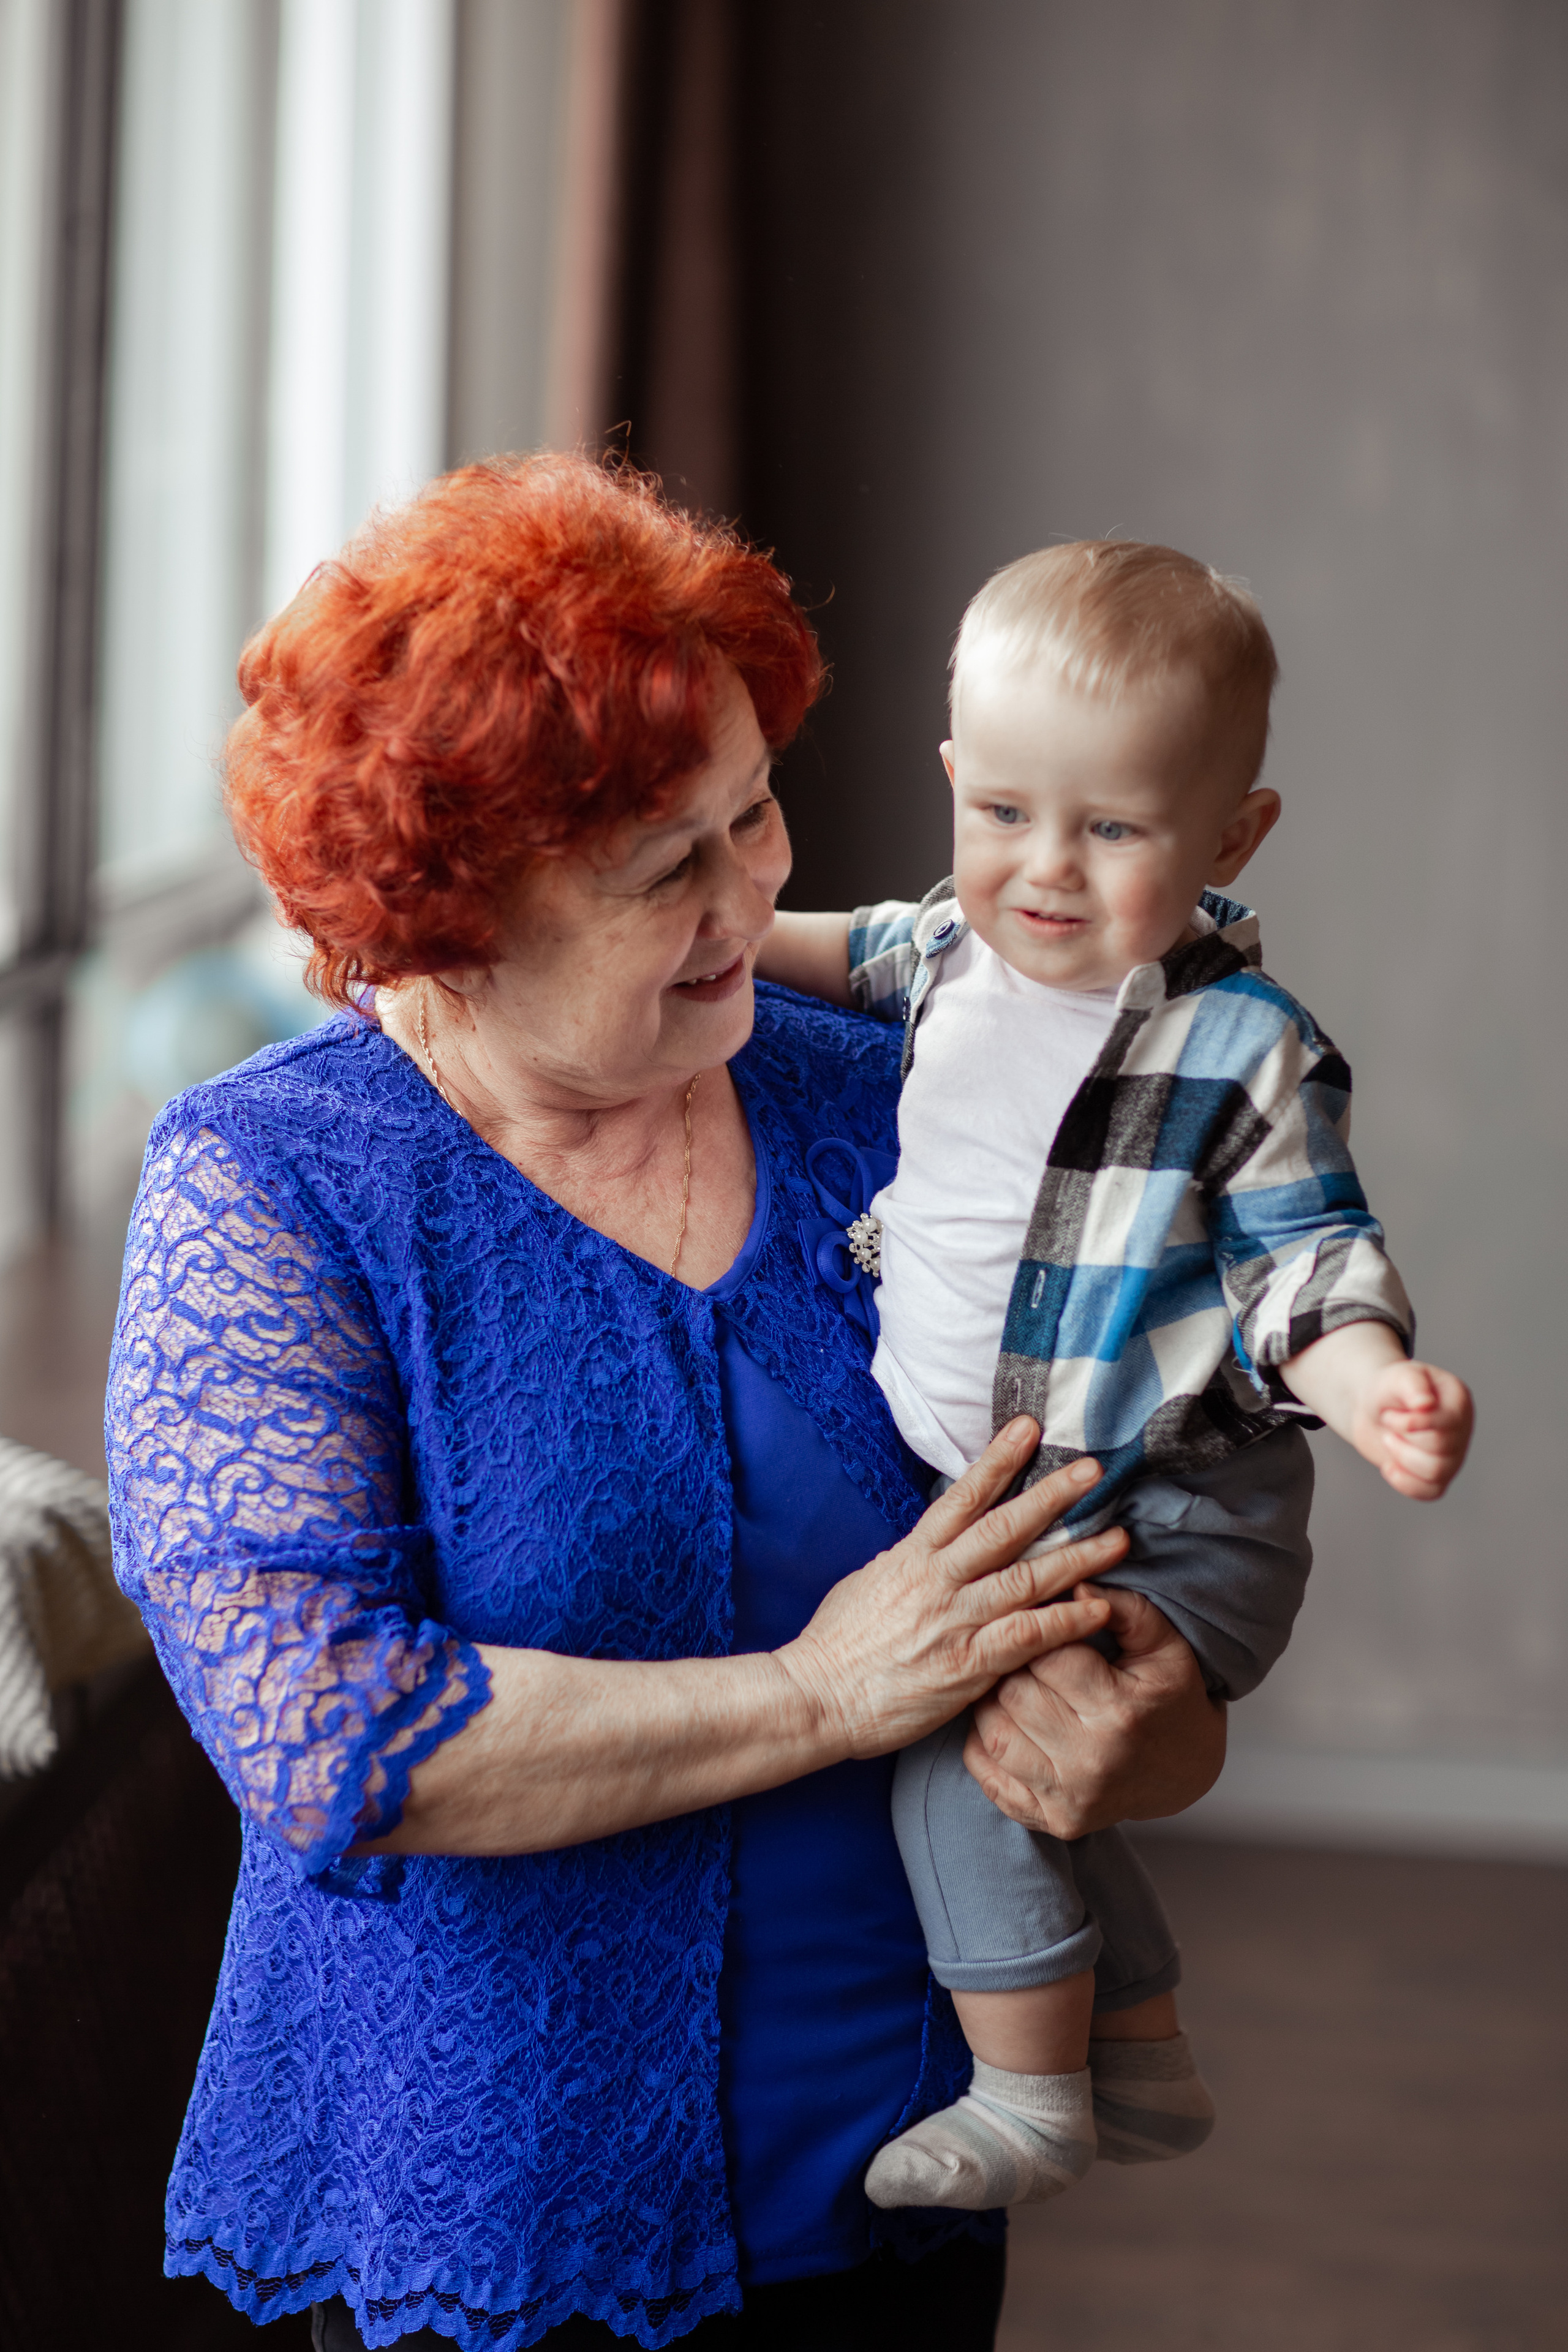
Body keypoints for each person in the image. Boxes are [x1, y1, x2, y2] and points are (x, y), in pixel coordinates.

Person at [106, 465, 1229, 2352]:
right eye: (667, 870)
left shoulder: (897, 1100)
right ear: (448, 918)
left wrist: (1146, 1735)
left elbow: (1127, 1579)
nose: (760, 889)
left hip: (900, 2168)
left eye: (755, 808)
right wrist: (822, 1692)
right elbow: (327, 1737)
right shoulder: (273, 1182)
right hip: (499, 2203)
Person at [758, 538, 1475, 2214]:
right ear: (954, 783)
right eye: (1003, 813)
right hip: (1021, 1481)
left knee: (955, 1763)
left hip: (1168, 1497)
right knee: (1028, 1764)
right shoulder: (950, 955)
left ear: (1231, 836)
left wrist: (1375, 1388)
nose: (1047, 873)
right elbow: (842, 943)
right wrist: (705, 928)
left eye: (1115, 829)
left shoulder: (1239, 1042)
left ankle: (1030, 2095)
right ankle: (1134, 2039)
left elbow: (1305, 1253)